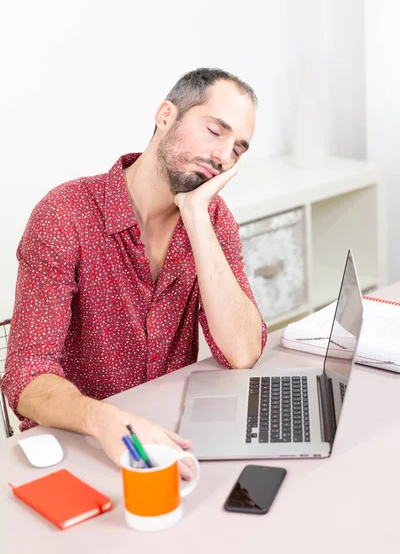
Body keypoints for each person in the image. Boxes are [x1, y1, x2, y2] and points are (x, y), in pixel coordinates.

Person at [2, 68, 267, 478]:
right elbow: (26, 375)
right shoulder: (65, 214)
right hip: (77, 443)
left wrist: (196, 217)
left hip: (165, 438)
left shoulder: (213, 219)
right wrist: (107, 421)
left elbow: (243, 352)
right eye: (215, 131)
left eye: (238, 149)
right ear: (166, 115)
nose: (223, 156)